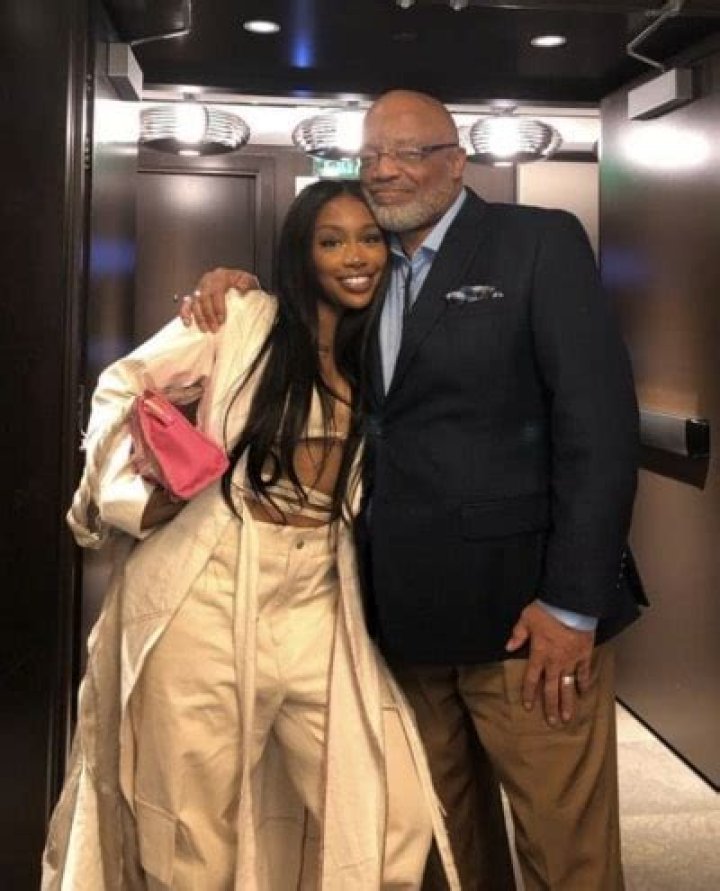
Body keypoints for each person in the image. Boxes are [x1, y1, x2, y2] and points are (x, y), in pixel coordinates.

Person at [183, 90, 647, 891]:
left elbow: (599, 427)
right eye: (370, 155)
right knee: (442, 846)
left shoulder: (537, 242)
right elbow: (301, 327)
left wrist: (573, 606)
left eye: (408, 152)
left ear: (457, 161)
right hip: (401, 623)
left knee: (564, 850)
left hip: (526, 620)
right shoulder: (361, 275)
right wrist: (234, 285)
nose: (385, 171)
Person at [41, 179, 460, 891]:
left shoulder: (387, 342)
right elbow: (121, 385)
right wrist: (140, 499)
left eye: (369, 239)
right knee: (189, 829)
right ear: (301, 251)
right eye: (332, 241)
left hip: (320, 593)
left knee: (390, 811)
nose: (355, 257)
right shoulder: (241, 318)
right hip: (209, 583)